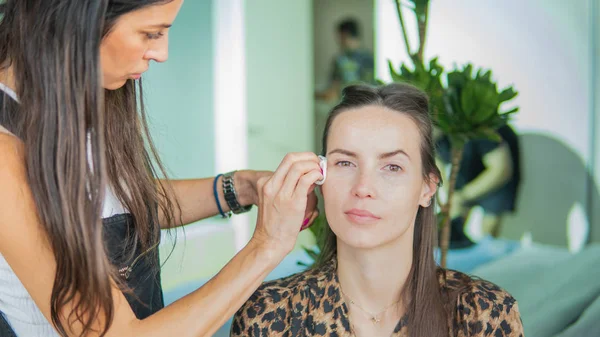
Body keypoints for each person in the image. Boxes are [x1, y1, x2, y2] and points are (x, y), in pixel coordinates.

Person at [0, 1, 321, 336]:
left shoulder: (80, 101)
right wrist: (268, 244)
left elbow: (116, 201)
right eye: (150, 33)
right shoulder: (5, 155)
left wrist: (241, 187)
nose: (162, 52)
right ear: (78, 19)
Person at [231, 84, 523, 336]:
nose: (363, 187)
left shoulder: (484, 314)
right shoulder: (269, 313)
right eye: (345, 163)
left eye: (392, 167)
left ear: (427, 187)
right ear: (319, 177)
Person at [436, 123, 521, 244]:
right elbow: (438, 162)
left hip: (498, 165)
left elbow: (501, 170)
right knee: (454, 216)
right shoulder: (434, 137)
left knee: (489, 229)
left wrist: (463, 196)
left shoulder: (482, 131)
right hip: (466, 158)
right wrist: (451, 195)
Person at [315, 18, 375, 102]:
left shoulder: (366, 59)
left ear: (344, 35)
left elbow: (332, 94)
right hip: (355, 105)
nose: (338, 41)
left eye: (339, 37)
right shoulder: (340, 60)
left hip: (355, 106)